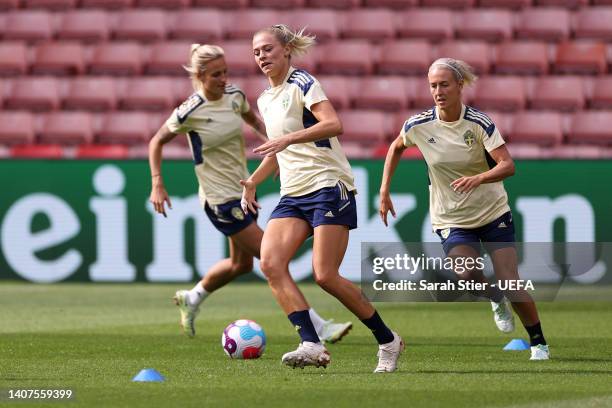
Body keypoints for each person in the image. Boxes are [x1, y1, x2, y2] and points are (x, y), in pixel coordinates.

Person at [148, 43, 353, 344]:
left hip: (243, 190)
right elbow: (157, 141)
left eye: (225, 72)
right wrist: (157, 182)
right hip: (220, 198)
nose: (223, 79)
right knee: (272, 258)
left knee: (240, 264)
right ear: (201, 76)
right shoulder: (190, 110)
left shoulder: (234, 97)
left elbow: (257, 122)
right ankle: (318, 327)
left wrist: (279, 149)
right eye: (216, 74)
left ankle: (192, 297)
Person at [241, 24, 403, 373]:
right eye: (256, 52)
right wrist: (253, 181)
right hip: (293, 192)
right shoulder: (264, 98)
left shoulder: (303, 83)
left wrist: (289, 139)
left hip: (328, 185)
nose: (262, 57)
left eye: (268, 49)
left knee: (325, 275)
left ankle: (388, 339)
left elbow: (333, 123)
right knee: (270, 264)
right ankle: (311, 343)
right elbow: (276, 150)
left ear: (286, 50)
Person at [378, 58, 549, 361]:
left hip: (492, 211)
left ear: (459, 85)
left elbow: (508, 165)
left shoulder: (479, 123)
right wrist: (384, 190)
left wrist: (479, 178)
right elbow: (396, 147)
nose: (438, 91)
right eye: (433, 85)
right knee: (467, 274)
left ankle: (538, 342)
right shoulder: (418, 124)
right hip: (451, 218)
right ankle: (495, 298)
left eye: (444, 84)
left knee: (511, 279)